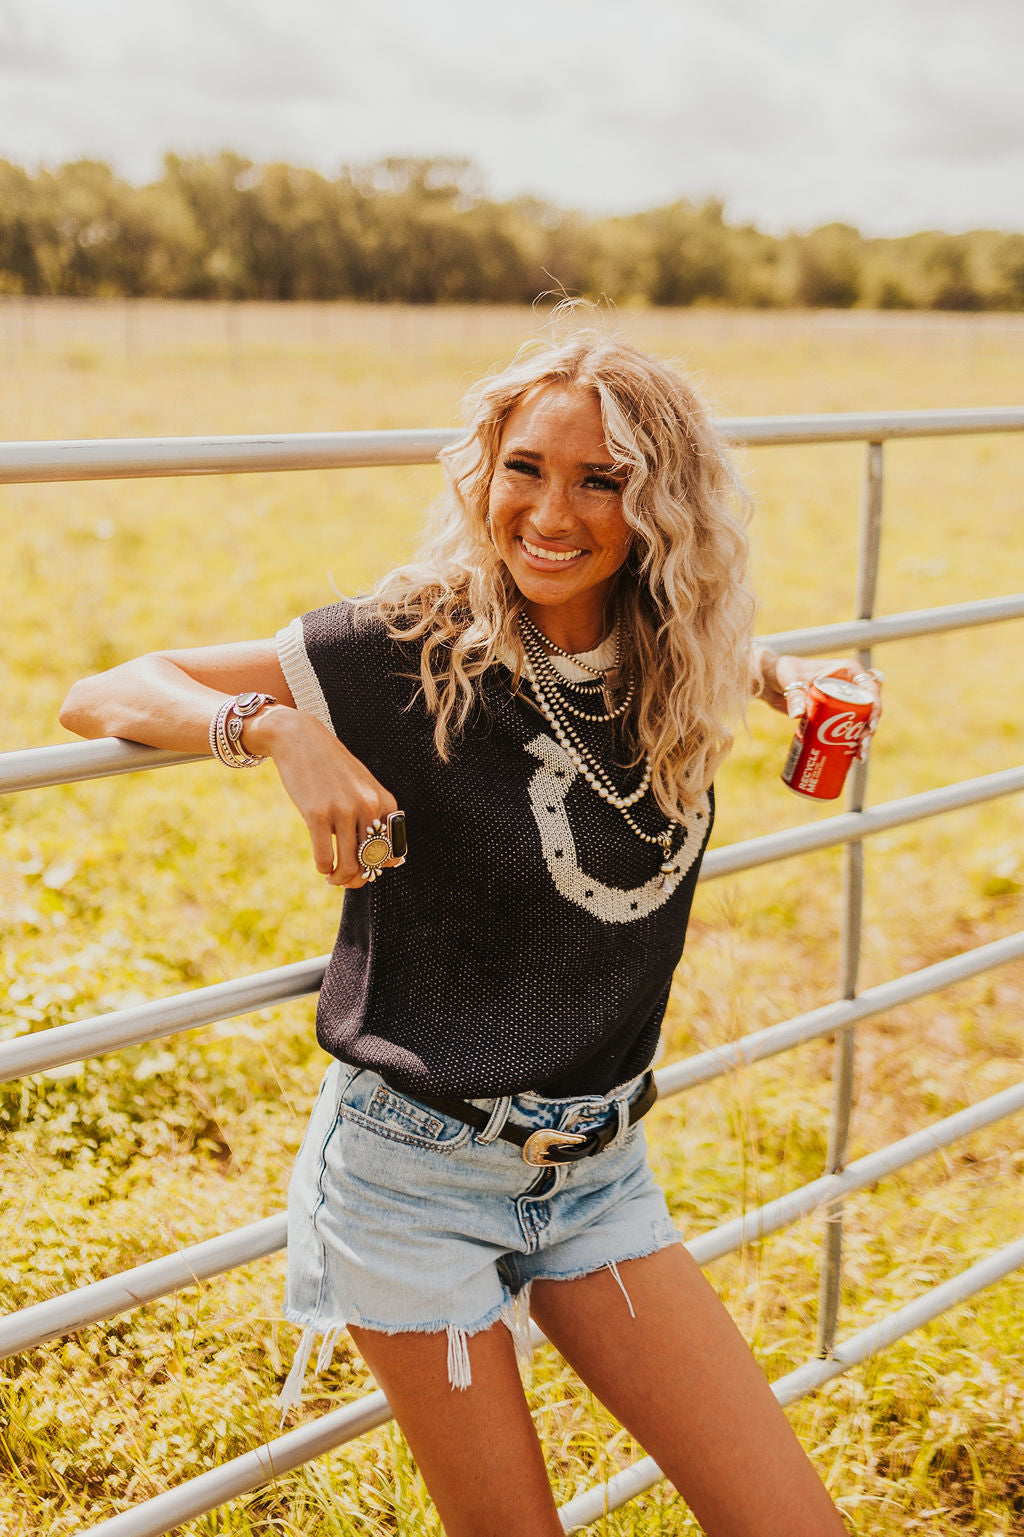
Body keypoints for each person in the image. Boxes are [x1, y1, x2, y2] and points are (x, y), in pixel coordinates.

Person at [61, 330, 878, 1536]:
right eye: (523, 468)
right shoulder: (407, 648)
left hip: (598, 1169)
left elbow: (674, 637)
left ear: (660, 505)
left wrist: (774, 672)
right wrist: (277, 730)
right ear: (484, 471)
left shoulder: (678, 652)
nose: (549, 512)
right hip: (414, 1173)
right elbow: (103, 690)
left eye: (601, 480)